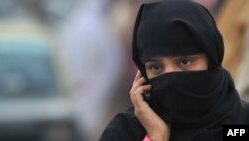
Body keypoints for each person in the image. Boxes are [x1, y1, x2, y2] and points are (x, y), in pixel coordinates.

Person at [99, 1, 249, 141]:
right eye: (156, 67)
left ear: (211, 59)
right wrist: (157, 136)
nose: (170, 75)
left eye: (185, 62)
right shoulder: (124, 132)